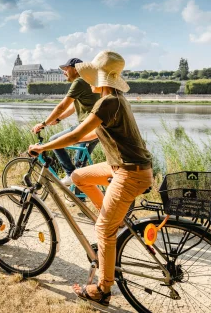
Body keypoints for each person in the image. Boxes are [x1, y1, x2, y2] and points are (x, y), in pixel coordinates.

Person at [28, 50, 154, 307]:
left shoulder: (107, 102)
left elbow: (75, 136)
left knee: (104, 231)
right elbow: (87, 134)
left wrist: (43, 148)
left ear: (98, 78)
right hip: (122, 166)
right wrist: (57, 141)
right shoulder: (115, 99)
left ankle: (102, 289)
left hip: (130, 172)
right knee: (77, 176)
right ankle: (105, 215)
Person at [32, 57, 100, 187]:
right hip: (95, 127)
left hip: (86, 126)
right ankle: (80, 198)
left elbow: (62, 106)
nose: (64, 72)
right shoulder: (88, 80)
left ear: (75, 69)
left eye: (66, 68)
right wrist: (58, 119)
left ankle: (69, 174)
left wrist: (43, 123)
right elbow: (74, 106)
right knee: (80, 166)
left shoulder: (80, 81)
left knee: (54, 141)